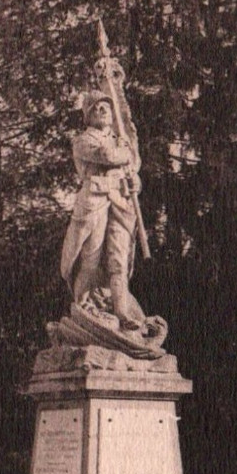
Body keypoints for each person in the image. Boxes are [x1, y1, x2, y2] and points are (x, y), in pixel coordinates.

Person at [60, 91, 144, 331]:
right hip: (94, 201)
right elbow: (107, 156)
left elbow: (130, 173)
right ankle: (83, 305)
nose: (102, 110)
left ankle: (122, 311)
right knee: (90, 256)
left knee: (119, 259)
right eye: (96, 108)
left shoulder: (120, 140)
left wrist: (135, 181)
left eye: (106, 106)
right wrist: (127, 153)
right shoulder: (83, 140)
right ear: (88, 116)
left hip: (120, 201)